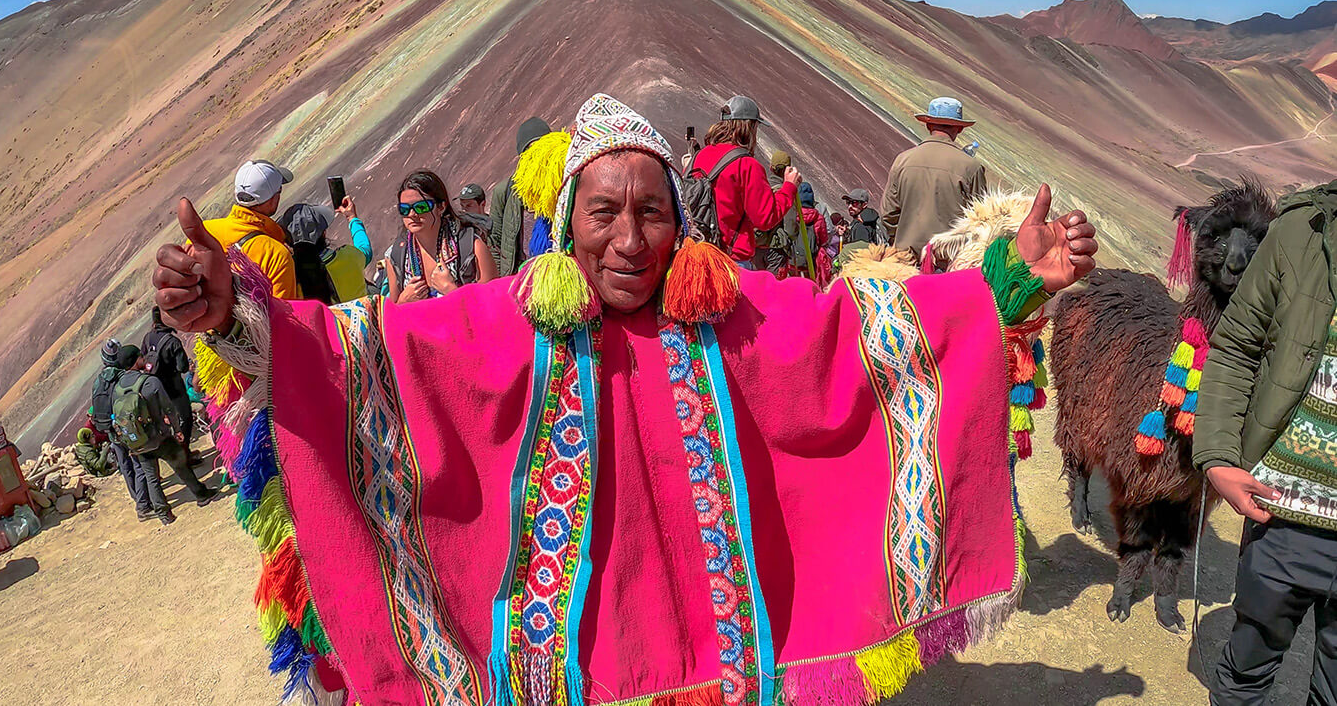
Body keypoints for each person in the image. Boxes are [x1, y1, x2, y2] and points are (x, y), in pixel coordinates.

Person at [154, 93, 1098, 704]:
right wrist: (231, 312)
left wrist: (1009, 281)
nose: (629, 238)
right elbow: (358, 354)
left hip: (731, 660)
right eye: (603, 212)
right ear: (569, 225)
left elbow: (861, 337)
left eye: (651, 212)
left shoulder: (735, 312)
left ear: (678, 224)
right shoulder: (502, 320)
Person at [1194, 181, 1337, 705]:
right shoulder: (1300, 230)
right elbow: (1235, 346)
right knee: (1246, 676)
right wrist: (1217, 457)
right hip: (1284, 516)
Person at [688, 95, 800, 267]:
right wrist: (789, 187)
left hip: (695, 252)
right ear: (750, 127)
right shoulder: (747, 165)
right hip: (731, 259)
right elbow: (765, 218)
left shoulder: (699, 156)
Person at [112, 345, 218, 525]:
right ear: (135, 360)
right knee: (181, 465)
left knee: (151, 477)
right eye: (140, 356)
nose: (143, 358)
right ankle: (201, 495)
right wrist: (177, 429)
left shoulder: (118, 389)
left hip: (138, 442)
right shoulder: (149, 382)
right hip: (161, 437)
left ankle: (164, 514)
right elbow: (168, 408)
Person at [879, 97, 987, 261]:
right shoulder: (971, 167)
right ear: (959, 129)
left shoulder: (902, 160)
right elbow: (982, 220)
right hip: (949, 262)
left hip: (905, 260)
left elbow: (888, 214)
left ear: (928, 125)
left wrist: (901, 239)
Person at [385, 170, 497, 303]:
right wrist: (403, 302)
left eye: (421, 207)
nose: (412, 214)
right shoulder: (396, 256)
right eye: (404, 209)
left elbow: (492, 304)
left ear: (441, 207)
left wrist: (451, 290)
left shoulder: (471, 246)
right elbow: (391, 318)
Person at [203, 159, 298, 299]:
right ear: (272, 199)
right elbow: (286, 317)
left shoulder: (206, 231)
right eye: (279, 190)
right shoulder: (275, 255)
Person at [91, 340, 154, 521]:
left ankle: (137, 496)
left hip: (110, 430)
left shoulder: (98, 381)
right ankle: (143, 505)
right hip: (125, 426)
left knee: (125, 465)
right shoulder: (121, 377)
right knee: (138, 462)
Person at [490, 117, 554, 275]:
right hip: (522, 278)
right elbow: (495, 242)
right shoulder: (505, 191)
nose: (537, 156)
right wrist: (504, 282)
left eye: (542, 147)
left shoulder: (564, 181)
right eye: (530, 150)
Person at [142, 306, 195, 451]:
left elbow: (142, 359)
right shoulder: (173, 342)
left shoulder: (147, 338)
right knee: (185, 418)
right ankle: (184, 452)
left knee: (167, 421)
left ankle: (176, 453)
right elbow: (182, 367)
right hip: (174, 389)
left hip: (155, 390)